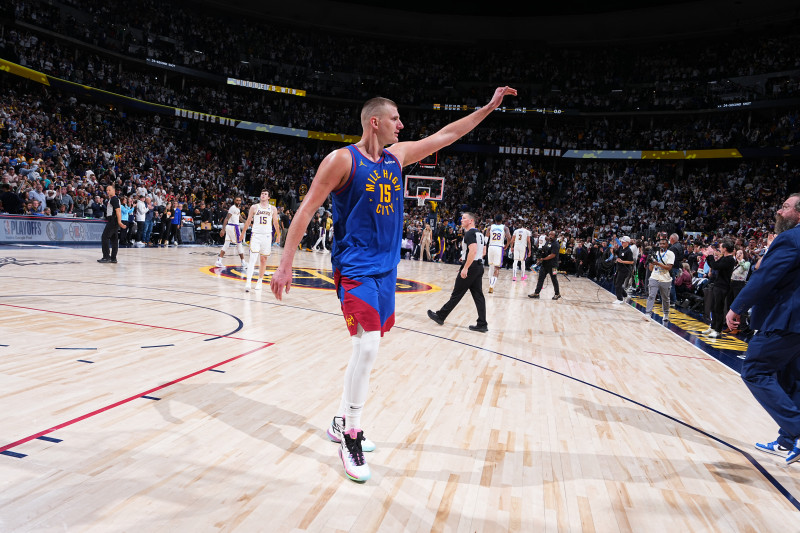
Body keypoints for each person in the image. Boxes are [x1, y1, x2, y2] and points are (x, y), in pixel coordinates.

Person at [271, 86, 517, 483]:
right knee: (366, 346)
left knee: (367, 346)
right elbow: (305, 210)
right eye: (395, 118)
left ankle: (339, 420)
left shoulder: (397, 157)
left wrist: (487, 108)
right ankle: (350, 434)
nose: (402, 125)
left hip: (386, 270)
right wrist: (284, 265)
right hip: (355, 267)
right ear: (375, 122)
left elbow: (448, 135)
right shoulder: (341, 161)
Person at [727, 193, 800, 464]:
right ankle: (786, 442)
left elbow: (765, 277)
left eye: (785, 207)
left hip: (785, 318)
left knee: (755, 370)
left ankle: (796, 429)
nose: (779, 212)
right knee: (792, 380)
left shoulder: (790, 238)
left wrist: (737, 306)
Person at [427, 212, 488, 331]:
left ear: (471, 221)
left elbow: (474, 251)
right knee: (478, 296)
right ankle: (482, 324)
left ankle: (441, 316)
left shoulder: (470, 233)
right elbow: (483, 251)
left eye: (464, 218)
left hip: (471, 267)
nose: (461, 220)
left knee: (457, 293)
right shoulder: (480, 233)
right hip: (479, 266)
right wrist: (465, 257)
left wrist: (466, 267)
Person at [241, 190, 280, 291]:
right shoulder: (254, 207)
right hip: (256, 235)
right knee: (252, 259)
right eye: (262, 194)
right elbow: (249, 220)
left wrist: (278, 235)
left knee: (263, 259)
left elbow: (275, 222)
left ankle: (259, 281)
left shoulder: (273, 208)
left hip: (267, 236)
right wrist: (242, 233)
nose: (263, 195)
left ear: (268, 197)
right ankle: (248, 282)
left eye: (265, 194)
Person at [702, 240, 736, 338]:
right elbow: (713, 265)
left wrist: (711, 255)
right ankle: (713, 327)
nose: (719, 249)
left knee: (718, 308)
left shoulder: (730, 259)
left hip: (723, 286)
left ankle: (718, 330)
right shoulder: (724, 258)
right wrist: (708, 256)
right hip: (717, 285)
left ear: (725, 248)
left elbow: (715, 266)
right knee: (713, 307)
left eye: (721, 247)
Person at [644, 234, 674, 323]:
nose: (661, 245)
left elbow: (669, 267)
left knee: (665, 298)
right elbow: (650, 269)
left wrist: (657, 263)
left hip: (665, 279)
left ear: (667, 245)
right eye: (660, 244)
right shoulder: (655, 253)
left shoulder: (670, 254)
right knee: (651, 295)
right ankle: (648, 314)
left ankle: (666, 313)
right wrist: (651, 263)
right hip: (654, 277)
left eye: (663, 244)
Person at [528, 230, 561, 300]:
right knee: (540, 279)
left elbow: (553, 255)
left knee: (554, 279)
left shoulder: (556, 244)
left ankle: (557, 294)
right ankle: (536, 293)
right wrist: (540, 255)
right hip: (545, 265)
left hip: (553, 266)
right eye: (549, 234)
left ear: (555, 236)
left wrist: (544, 258)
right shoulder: (548, 242)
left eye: (552, 235)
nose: (550, 236)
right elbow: (544, 250)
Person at [215, 196, 246, 268]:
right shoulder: (233, 208)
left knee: (226, 244)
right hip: (233, 227)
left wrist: (248, 222)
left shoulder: (237, 209)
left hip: (231, 227)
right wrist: (223, 229)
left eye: (239, 200)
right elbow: (226, 218)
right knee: (239, 244)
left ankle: (219, 261)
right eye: (237, 200)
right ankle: (243, 262)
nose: (238, 202)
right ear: (234, 201)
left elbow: (240, 219)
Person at [98, 184, 126, 264]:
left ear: (113, 191)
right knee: (114, 239)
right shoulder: (114, 199)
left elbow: (118, 211)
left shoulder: (114, 199)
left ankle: (106, 257)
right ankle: (113, 258)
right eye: (106, 190)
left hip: (113, 220)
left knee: (105, 237)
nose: (107, 191)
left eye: (109, 190)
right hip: (114, 220)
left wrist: (119, 222)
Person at [485, 214, 511, 294]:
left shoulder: (490, 227)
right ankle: (492, 286)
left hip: (491, 246)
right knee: (497, 268)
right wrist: (507, 245)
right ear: (502, 220)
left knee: (491, 266)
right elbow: (509, 237)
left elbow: (486, 239)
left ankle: (490, 283)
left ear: (494, 220)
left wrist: (485, 246)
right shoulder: (505, 228)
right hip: (499, 247)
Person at [612, 236, 635, 304]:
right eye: (621, 241)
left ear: (627, 243)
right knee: (615, 282)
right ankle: (625, 295)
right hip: (619, 268)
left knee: (618, 284)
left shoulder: (629, 251)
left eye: (623, 242)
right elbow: (616, 253)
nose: (622, 242)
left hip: (625, 270)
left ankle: (620, 299)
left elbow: (631, 262)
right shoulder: (621, 248)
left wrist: (622, 261)